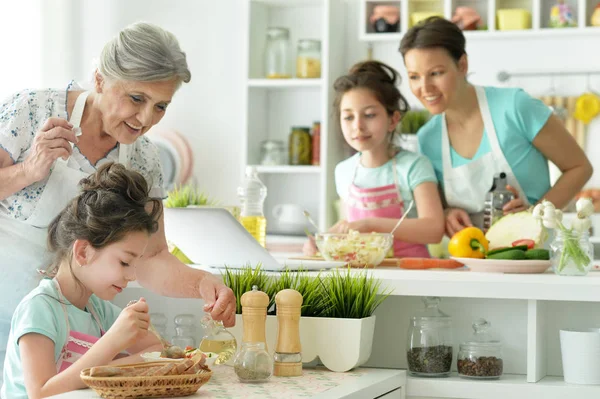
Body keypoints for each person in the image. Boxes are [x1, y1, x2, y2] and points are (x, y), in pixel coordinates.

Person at [0, 22, 235, 380]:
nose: (145, 119)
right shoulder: (31, 111)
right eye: (136, 99)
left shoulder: (144, 160)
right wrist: (29, 170)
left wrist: (202, 283)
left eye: (160, 106)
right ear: (99, 80)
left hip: (64, 330)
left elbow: (151, 258)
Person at [399, 17, 593, 237]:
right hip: (468, 259)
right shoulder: (428, 138)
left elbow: (579, 167)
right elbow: (441, 207)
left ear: (462, 65)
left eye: (436, 73)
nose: (424, 88)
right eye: (414, 77)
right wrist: (447, 212)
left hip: (532, 254)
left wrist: (534, 215)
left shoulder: (514, 107)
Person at [2, 163, 165, 398]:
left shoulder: (98, 310)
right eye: (124, 262)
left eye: (135, 264)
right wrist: (112, 343)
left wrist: (108, 367)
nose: (131, 275)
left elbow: (157, 351)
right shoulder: (39, 309)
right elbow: (40, 392)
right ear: (83, 252)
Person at [304, 61, 445, 257]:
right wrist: (322, 241)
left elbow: (434, 230)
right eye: (348, 117)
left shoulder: (414, 167)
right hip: (363, 277)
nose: (358, 126)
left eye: (369, 115)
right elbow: (349, 228)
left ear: (393, 119)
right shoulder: (343, 171)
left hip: (411, 274)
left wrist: (370, 224)